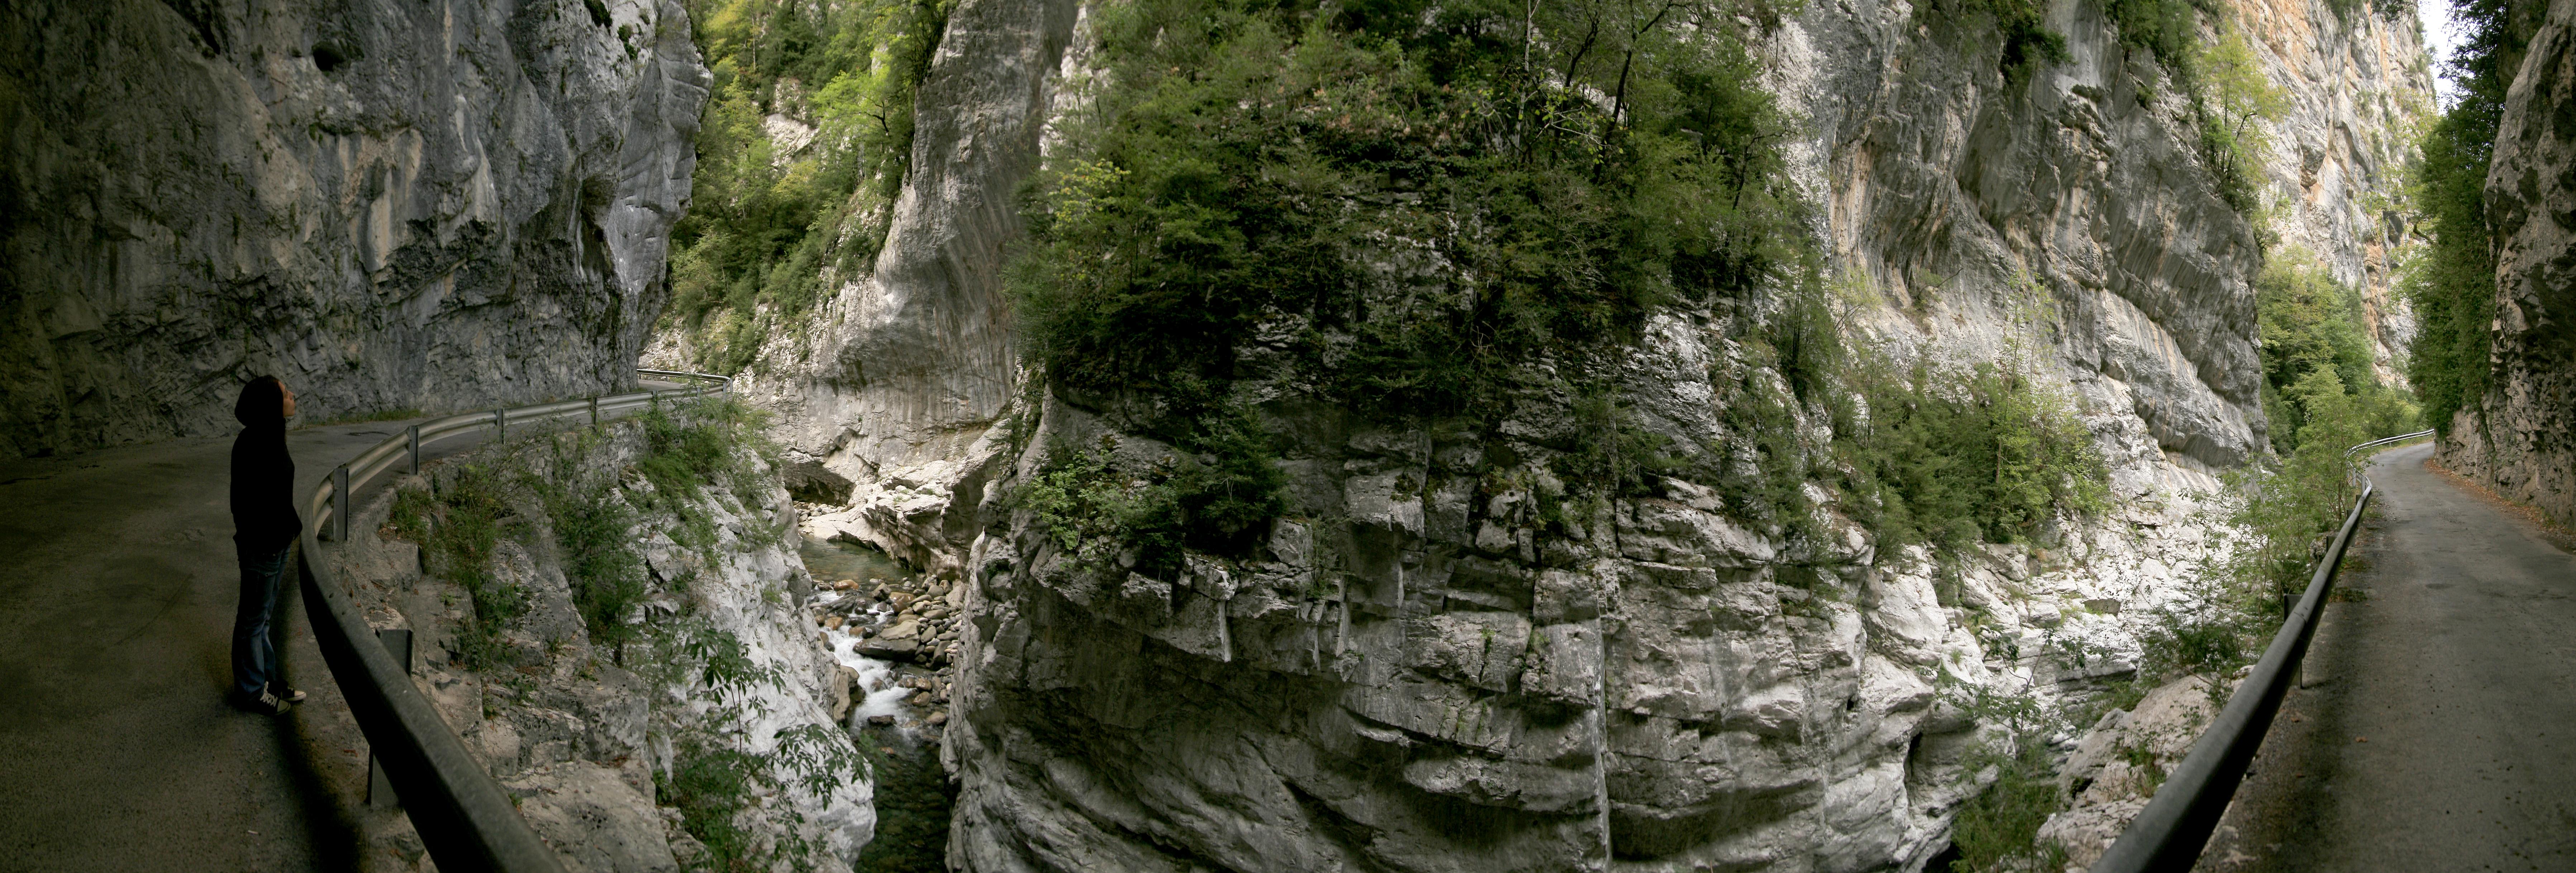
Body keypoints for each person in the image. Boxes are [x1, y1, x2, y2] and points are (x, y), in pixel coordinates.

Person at [229, 377, 308, 715]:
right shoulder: (253, 444)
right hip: (263, 549)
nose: (292, 396)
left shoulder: (272, 434)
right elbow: (246, 506)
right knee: (252, 621)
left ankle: (267, 681)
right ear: (270, 405)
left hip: (277, 544)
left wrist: (289, 530)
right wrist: (265, 543)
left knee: (263, 620)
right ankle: (250, 691)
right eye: (285, 392)